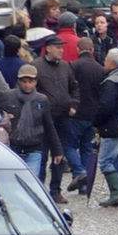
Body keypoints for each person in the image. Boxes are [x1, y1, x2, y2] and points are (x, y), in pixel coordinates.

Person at [32, 36, 79, 204]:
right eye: (58, 47)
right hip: (44, 118)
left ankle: (55, 190)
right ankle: (39, 189)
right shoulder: (36, 66)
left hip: (63, 117)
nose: (61, 50)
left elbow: (74, 88)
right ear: (48, 48)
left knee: (59, 155)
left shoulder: (66, 67)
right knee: (42, 155)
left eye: (62, 47)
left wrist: (73, 104)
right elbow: (31, 91)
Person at [4, 64, 64, 178]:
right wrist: (5, 117)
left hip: (34, 148)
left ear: (36, 82)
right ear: (19, 81)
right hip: (13, 147)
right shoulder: (8, 97)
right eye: (24, 81)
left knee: (31, 181)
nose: (27, 85)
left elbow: (49, 125)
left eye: (30, 81)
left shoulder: (42, 100)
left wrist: (57, 150)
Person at [64, 38, 105, 195]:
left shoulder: (72, 66)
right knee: (87, 148)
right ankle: (84, 184)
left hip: (76, 113)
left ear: (78, 49)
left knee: (69, 145)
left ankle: (79, 171)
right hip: (93, 115)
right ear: (92, 49)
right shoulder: (100, 69)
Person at [94, 48, 118, 206]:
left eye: (105, 60)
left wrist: (96, 122)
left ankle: (117, 193)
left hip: (111, 127)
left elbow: (106, 107)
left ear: (110, 62)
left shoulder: (110, 83)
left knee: (105, 161)